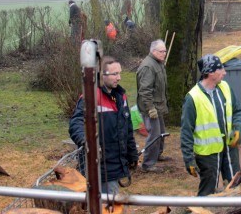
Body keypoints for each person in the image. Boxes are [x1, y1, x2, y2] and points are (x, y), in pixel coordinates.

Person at [69, 56, 138, 194]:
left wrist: (132, 155)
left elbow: (127, 129)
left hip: (115, 163)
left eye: (119, 73)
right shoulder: (91, 97)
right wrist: (86, 141)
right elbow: (75, 123)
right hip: (98, 165)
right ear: (102, 75)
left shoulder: (120, 96)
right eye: (114, 74)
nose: (119, 78)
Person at [180, 54, 241, 196]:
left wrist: (238, 128)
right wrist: (188, 159)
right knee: (208, 194)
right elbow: (186, 132)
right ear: (210, 72)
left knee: (236, 187)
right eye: (220, 69)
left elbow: (237, 110)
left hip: (229, 149)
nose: (225, 72)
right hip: (208, 155)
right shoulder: (193, 98)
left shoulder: (225, 87)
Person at [137, 40, 169, 172]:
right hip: (151, 108)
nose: (164, 54)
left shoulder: (158, 63)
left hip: (158, 106)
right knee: (154, 134)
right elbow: (145, 91)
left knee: (161, 132)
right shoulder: (148, 67)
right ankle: (148, 164)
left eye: (165, 51)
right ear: (153, 51)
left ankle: (157, 155)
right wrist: (150, 108)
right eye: (162, 51)